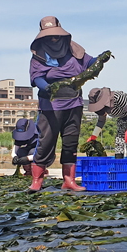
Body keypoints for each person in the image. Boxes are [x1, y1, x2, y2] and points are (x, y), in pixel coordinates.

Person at [28, 16, 95, 192]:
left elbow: (89, 62)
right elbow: (37, 78)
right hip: (51, 107)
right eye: (50, 36)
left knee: (70, 142)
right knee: (46, 142)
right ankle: (37, 181)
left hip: (74, 104)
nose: (54, 39)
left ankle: (69, 180)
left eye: (56, 35)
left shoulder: (73, 49)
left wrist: (99, 61)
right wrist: (47, 87)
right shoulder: (39, 55)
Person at [86, 87, 127, 159]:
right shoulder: (102, 109)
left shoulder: (118, 97)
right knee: (119, 141)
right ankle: (119, 166)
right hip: (123, 117)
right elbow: (101, 120)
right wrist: (94, 136)